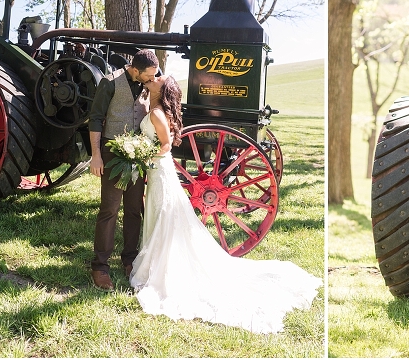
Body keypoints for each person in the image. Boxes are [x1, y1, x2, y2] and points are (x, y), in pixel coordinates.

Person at [130, 74, 322, 333]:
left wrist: (141, 153)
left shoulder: (157, 113)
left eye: (158, 78)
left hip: (159, 167)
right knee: (161, 212)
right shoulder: (152, 108)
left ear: (162, 89)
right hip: (156, 170)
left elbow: (164, 145)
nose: (154, 77)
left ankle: (161, 264)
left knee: (164, 213)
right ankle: (157, 257)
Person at [88, 49, 160, 291]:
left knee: (133, 210)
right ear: (135, 70)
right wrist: (96, 156)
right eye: (148, 75)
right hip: (112, 153)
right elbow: (96, 119)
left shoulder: (147, 84)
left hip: (137, 153)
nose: (152, 79)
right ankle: (100, 267)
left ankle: (130, 260)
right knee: (109, 209)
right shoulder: (109, 83)